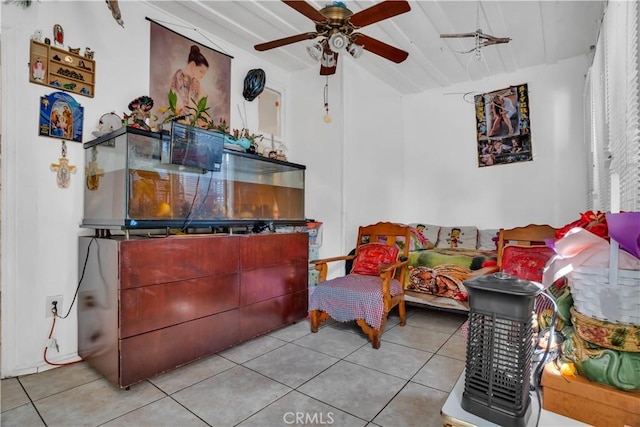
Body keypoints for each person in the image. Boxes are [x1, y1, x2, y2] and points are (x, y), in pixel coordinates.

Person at [170, 45, 209, 115]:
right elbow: (180, 106)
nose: (202, 76)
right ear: (193, 65)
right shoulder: (179, 77)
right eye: (201, 72)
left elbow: (197, 105)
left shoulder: (195, 82)